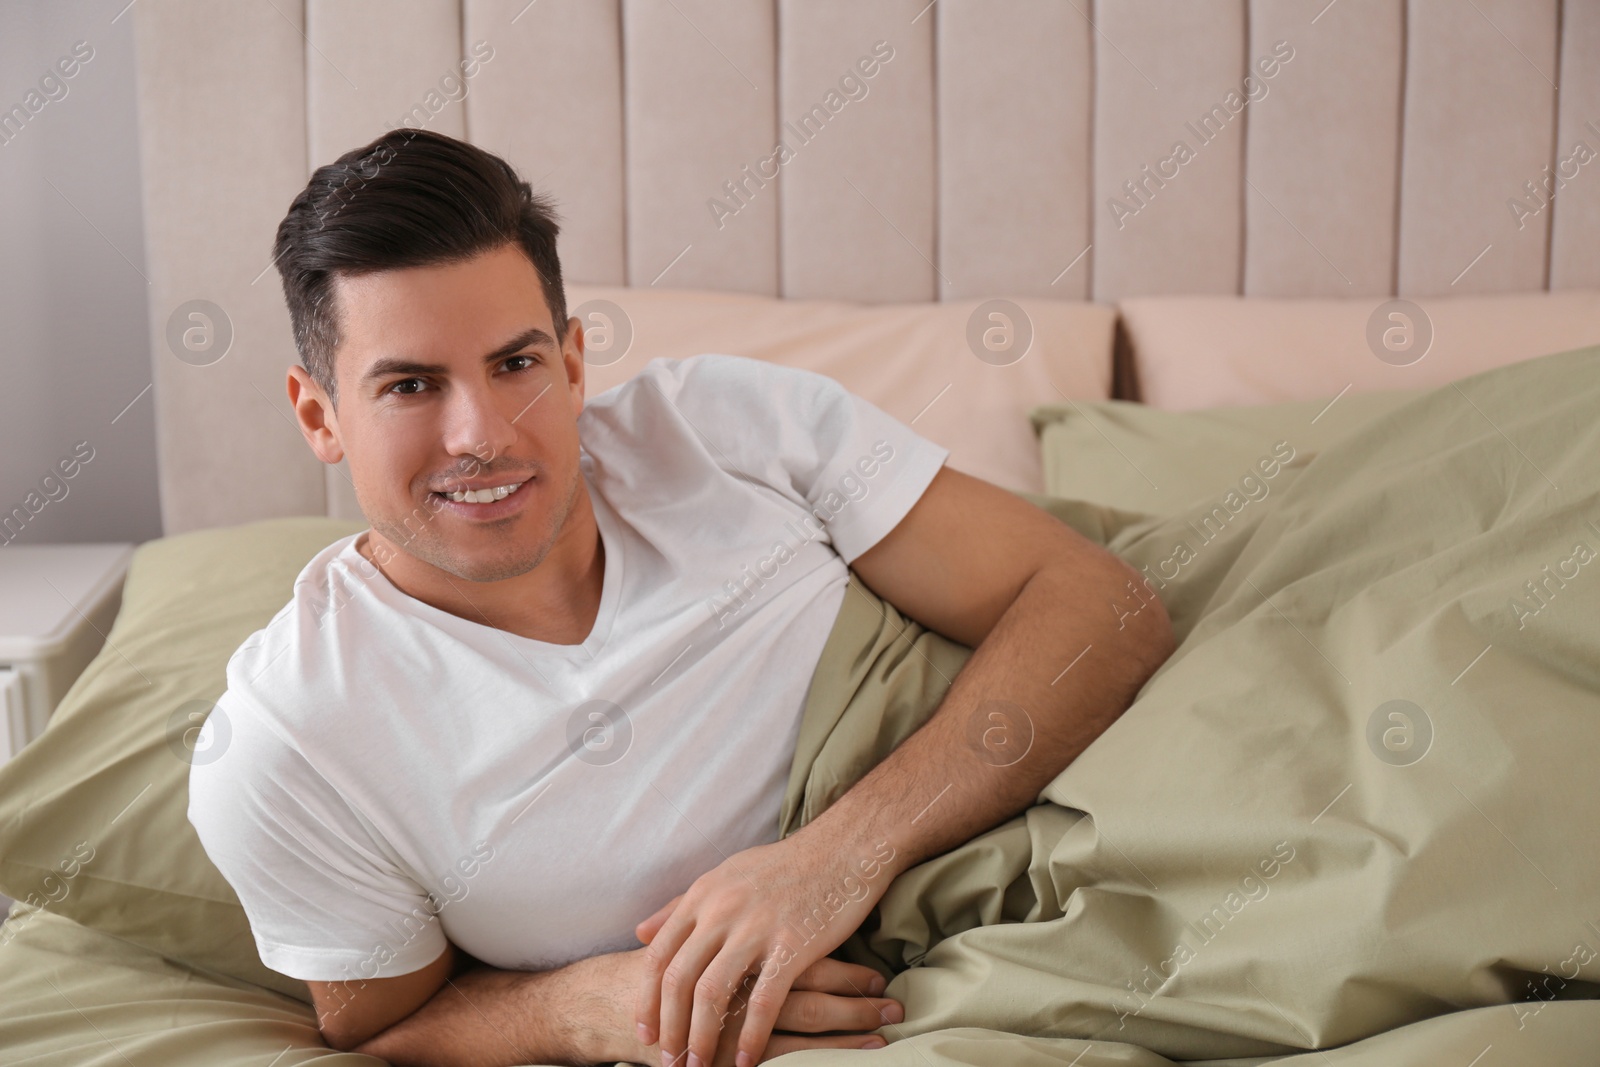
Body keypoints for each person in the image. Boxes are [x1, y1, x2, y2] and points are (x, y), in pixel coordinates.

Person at [186, 128, 1175, 1067]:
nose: (480, 433)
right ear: (319, 414)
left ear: (572, 365)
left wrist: (838, 856)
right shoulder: (290, 743)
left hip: (1098, 804)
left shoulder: (723, 427)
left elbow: (1096, 600)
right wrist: (574, 1009)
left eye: (516, 363)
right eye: (409, 386)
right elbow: (382, 1028)